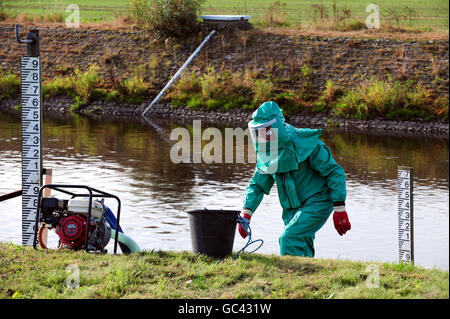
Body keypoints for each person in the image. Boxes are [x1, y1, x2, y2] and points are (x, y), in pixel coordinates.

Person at [239, 101, 351, 257]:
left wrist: (339, 208)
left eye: (266, 131)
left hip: (318, 201)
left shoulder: (306, 143)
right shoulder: (267, 153)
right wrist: (246, 213)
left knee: (289, 238)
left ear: (276, 127)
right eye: (259, 132)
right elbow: (257, 185)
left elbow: (335, 172)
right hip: (291, 208)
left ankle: (288, 278)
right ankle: (308, 279)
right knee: (302, 245)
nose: (263, 136)